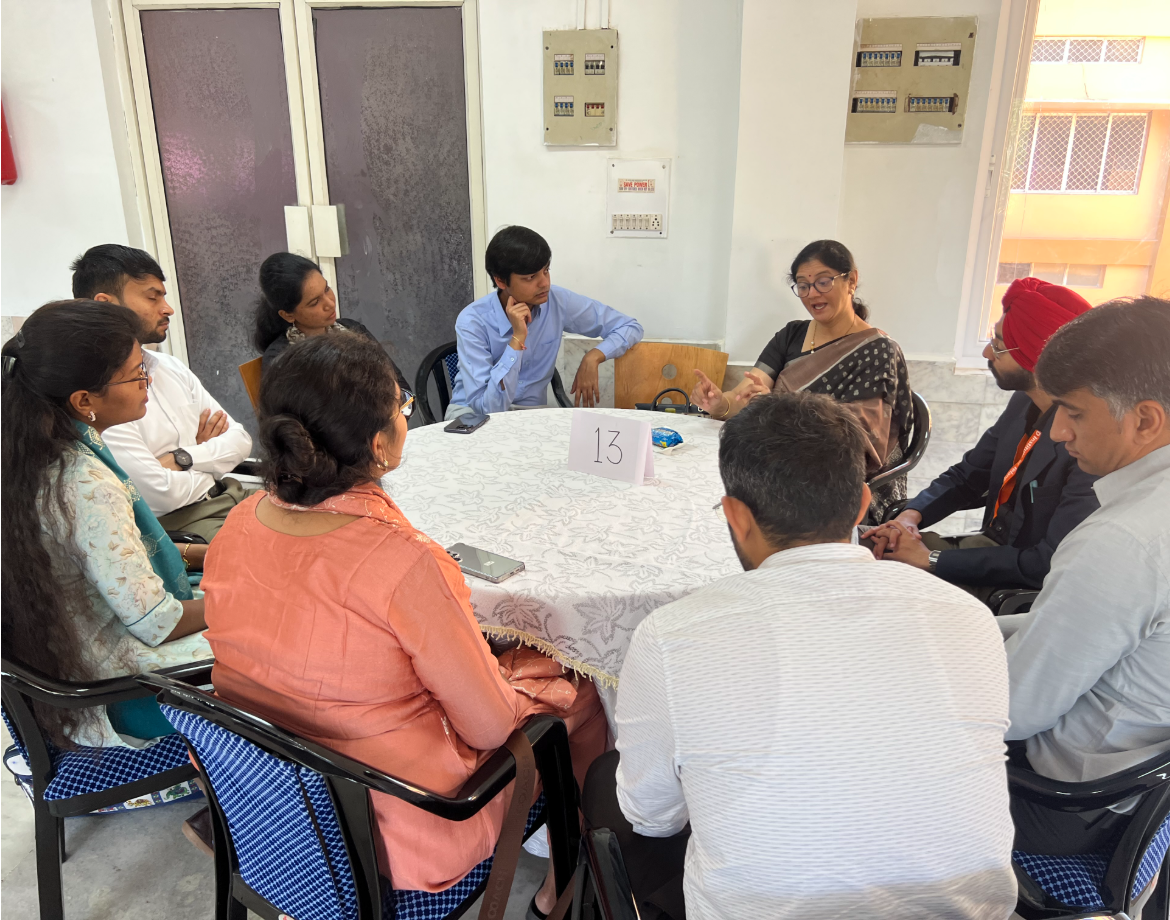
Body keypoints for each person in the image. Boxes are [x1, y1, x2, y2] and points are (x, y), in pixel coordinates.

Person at [201, 333, 606, 914]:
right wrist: (531, 673)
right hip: (400, 829)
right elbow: (492, 729)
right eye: (402, 404)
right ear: (380, 445)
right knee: (580, 688)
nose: (405, 414)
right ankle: (562, 887)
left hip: (267, 816)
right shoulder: (405, 561)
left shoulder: (238, 523)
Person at [584, 391, 1015, 920]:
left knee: (608, 783)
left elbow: (653, 818)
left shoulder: (672, 636)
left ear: (734, 515)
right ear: (860, 504)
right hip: (967, 912)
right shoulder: (968, 616)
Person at [998, 296, 1170, 856]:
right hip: (1146, 786)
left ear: (1145, 419)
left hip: (1074, 806)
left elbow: (1013, 711)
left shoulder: (1123, 542)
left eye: (1073, 411)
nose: (1057, 433)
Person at [0, 301, 210, 750]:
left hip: (77, 649)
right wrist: (251, 602)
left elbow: (108, 552)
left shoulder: (38, 444)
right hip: (120, 690)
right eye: (137, 375)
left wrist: (199, 555)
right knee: (286, 646)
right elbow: (158, 623)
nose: (146, 383)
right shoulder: (83, 481)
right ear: (84, 400)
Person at [862, 278, 1099, 600]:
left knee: (879, 590)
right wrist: (909, 517)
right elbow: (967, 476)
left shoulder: (1089, 446)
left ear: (1039, 356)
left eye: (1000, 344)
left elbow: (1045, 562)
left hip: (1017, 585)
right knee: (867, 548)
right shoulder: (1023, 403)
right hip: (987, 551)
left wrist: (930, 559)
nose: (988, 351)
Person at [690, 239, 912, 518]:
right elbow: (744, 395)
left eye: (823, 281)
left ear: (851, 280)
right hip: (777, 463)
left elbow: (862, 438)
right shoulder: (791, 335)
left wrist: (781, 409)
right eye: (803, 285)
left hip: (834, 482)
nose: (812, 294)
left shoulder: (877, 349)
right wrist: (718, 403)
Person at [71, 244, 253, 541]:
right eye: (152, 297)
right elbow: (157, 495)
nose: (167, 308)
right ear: (106, 304)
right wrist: (209, 459)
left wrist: (182, 457)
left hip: (228, 494)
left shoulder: (168, 367)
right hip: (181, 525)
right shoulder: (99, 392)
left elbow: (241, 441)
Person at [447, 225, 643, 417]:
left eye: (546, 271)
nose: (544, 283)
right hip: (474, 415)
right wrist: (517, 339)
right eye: (531, 277)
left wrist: (594, 356)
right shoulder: (473, 321)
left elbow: (629, 326)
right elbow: (489, 408)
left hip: (531, 415)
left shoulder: (557, 301)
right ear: (501, 281)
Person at [253, 251, 376, 370]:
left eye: (327, 289)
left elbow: (393, 376)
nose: (330, 303)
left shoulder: (352, 328)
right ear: (288, 315)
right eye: (315, 302)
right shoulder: (282, 359)